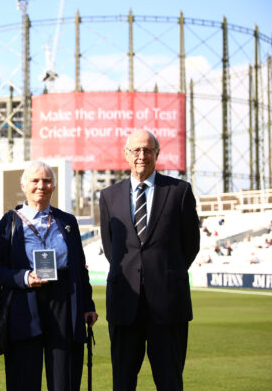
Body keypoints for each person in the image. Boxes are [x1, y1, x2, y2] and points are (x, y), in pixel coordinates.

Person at [99, 129, 200, 391]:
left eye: (147, 150)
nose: (141, 155)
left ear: (157, 153)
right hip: (124, 304)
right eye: (135, 150)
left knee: (170, 382)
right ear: (126, 155)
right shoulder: (109, 196)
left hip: (168, 306)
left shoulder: (179, 191)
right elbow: (112, 249)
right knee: (122, 382)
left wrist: (162, 273)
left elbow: (191, 245)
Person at [0, 161, 98, 391]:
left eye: (47, 181)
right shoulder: (8, 223)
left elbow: (80, 268)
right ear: (23, 185)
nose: (41, 186)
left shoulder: (67, 222)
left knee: (64, 379)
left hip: (64, 303)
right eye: (35, 181)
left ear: (54, 186)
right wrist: (23, 277)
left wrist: (87, 304)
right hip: (24, 304)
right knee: (24, 381)